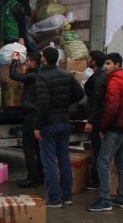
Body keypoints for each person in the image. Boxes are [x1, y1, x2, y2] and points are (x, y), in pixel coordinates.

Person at [35, 47, 84, 208]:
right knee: (64, 160)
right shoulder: (66, 74)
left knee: (48, 162)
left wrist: (37, 126)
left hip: (48, 124)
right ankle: (67, 196)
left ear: (44, 59)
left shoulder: (41, 76)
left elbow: (43, 104)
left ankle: (54, 199)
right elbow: (79, 94)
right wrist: (65, 104)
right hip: (64, 122)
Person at [88, 52, 123, 212]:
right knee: (122, 163)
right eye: (105, 64)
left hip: (114, 127)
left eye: (109, 64)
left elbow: (111, 108)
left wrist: (102, 126)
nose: (106, 67)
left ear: (117, 65)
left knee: (103, 162)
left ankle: (105, 200)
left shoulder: (115, 82)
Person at [9, 52, 43, 188]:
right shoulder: (40, 74)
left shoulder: (32, 75)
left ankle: (32, 178)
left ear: (34, 62)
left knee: (28, 148)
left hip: (31, 115)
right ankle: (40, 176)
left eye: (28, 61)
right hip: (39, 114)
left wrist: (14, 61)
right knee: (39, 148)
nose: (26, 63)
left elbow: (13, 76)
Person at [83, 50, 107, 190]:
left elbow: (97, 100)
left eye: (89, 58)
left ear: (94, 61)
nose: (87, 60)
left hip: (97, 121)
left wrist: (91, 120)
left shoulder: (98, 78)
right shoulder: (98, 75)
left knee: (97, 150)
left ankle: (97, 181)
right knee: (97, 150)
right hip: (97, 120)